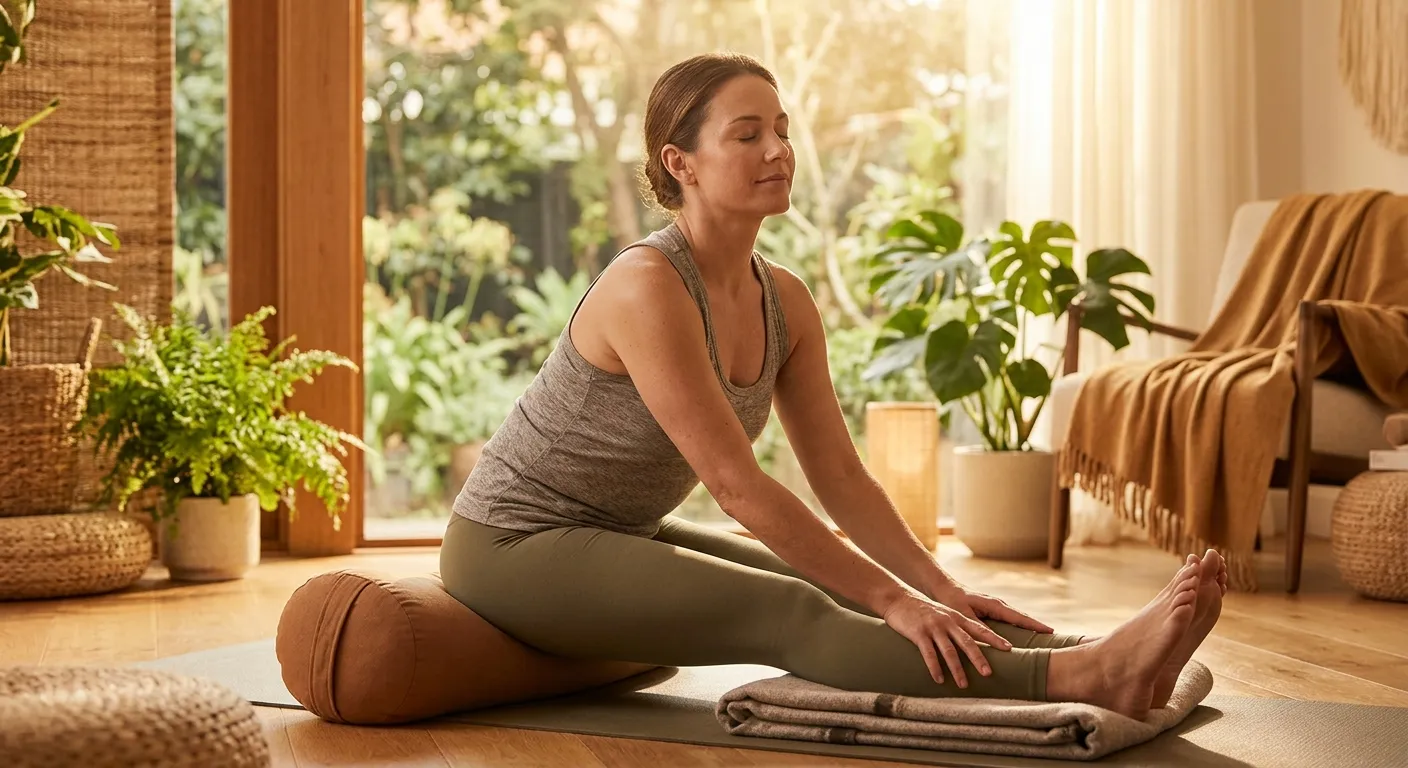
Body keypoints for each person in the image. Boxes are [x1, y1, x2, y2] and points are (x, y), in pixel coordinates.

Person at [440, 51, 1226, 722]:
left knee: (849, 585)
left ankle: (1078, 650)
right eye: (746, 134)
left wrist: (939, 586)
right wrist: (894, 601)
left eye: (781, 129)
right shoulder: (646, 285)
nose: (778, 149)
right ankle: (1081, 680)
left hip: (615, 531)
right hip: (513, 544)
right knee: (794, 605)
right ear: (680, 164)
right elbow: (738, 489)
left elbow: (843, 481)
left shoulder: (783, 299)